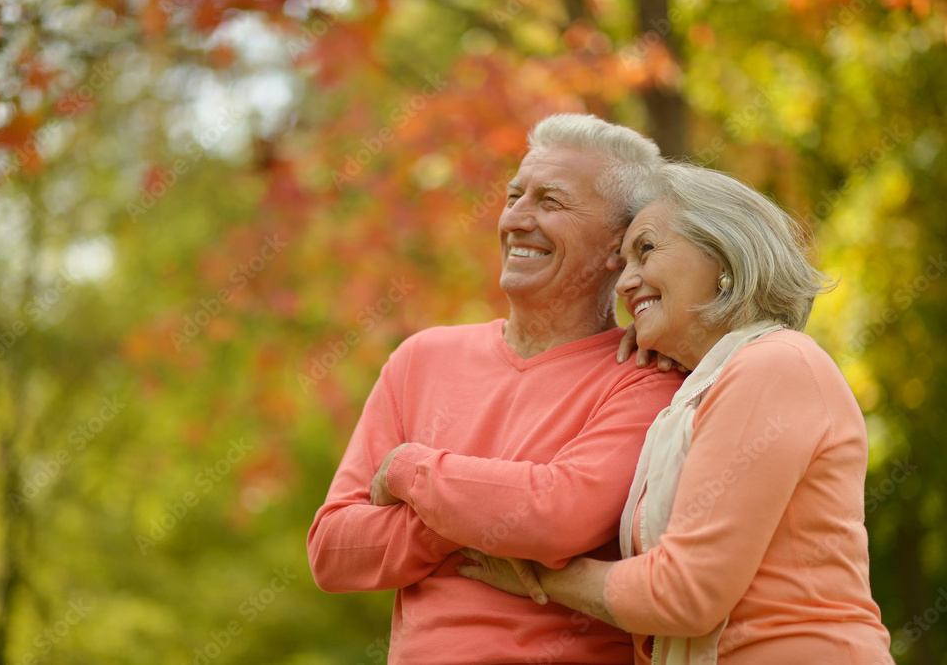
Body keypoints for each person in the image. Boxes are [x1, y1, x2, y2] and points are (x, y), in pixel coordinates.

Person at [457, 162, 894, 664]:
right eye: (621, 264)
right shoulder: (706, 387)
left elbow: (685, 594)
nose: (624, 283)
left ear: (723, 252)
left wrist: (541, 575)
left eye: (645, 250)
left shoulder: (774, 365)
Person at [307, 114, 686, 664]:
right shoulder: (420, 359)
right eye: (515, 195)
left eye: (551, 202)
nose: (517, 218)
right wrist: (476, 524)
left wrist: (412, 470)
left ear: (616, 246)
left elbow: (558, 517)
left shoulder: (647, 376)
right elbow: (334, 551)